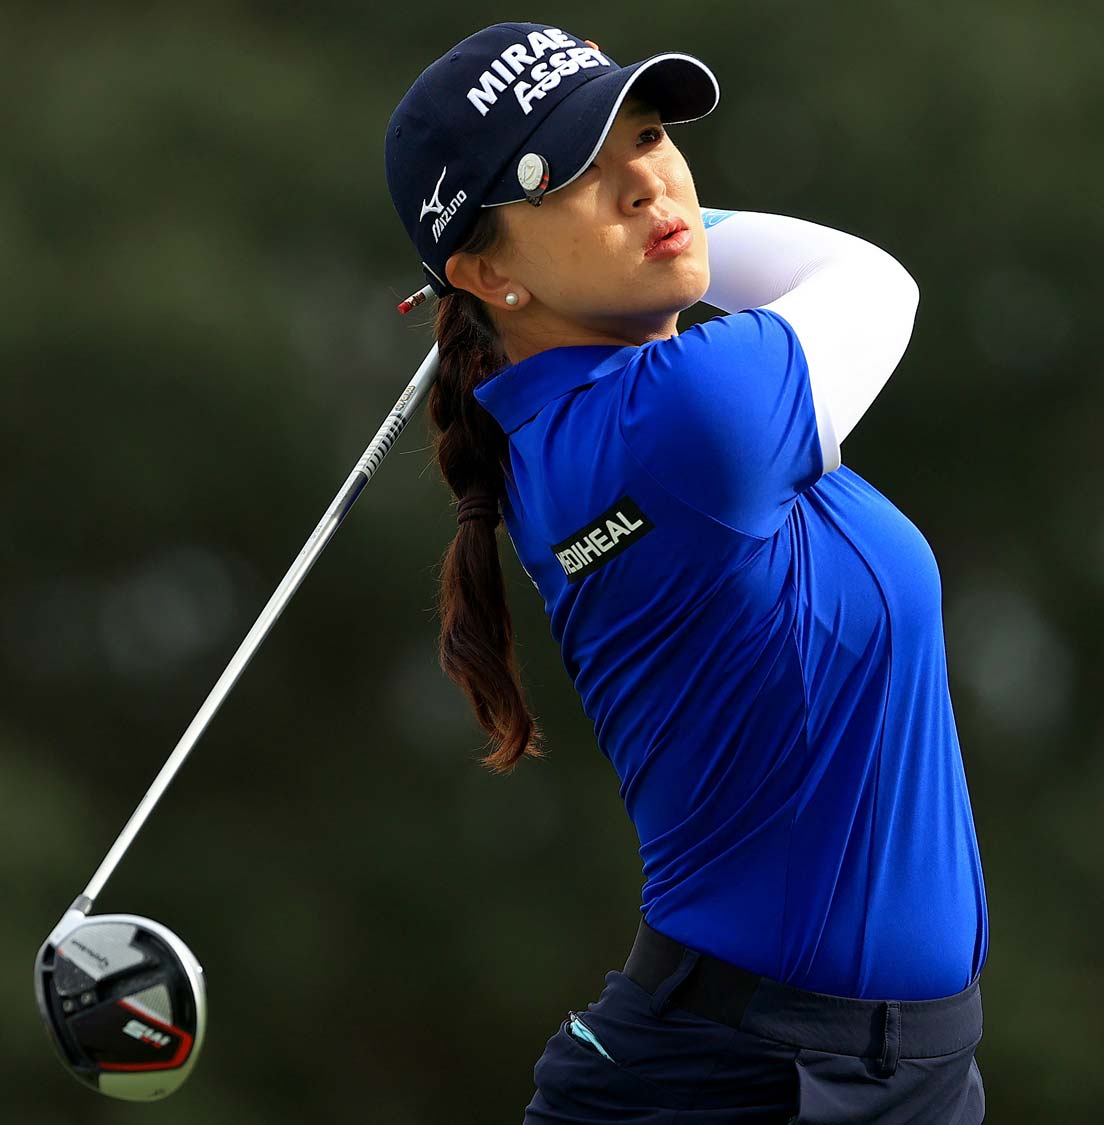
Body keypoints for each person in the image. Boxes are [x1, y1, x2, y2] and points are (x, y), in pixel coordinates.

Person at [384, 22, 989, 1123]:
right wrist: (685, 228)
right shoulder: (680, 418)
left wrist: (588, 249)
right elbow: (869, 282)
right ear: (483, 270)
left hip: (894, 1074)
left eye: (651, 138)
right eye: (573, 176)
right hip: (737, 1082)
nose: (645, 182)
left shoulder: (620, 414)